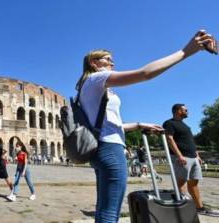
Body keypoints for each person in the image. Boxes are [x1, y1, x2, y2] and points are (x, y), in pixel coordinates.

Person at [76, 30, 214, 222]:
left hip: (100, 148)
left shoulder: (87, 87)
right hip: (111, 149)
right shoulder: (97, 78)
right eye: (108, 59)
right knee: (110, 211)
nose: (112, 63)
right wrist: (185, 52)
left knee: (104, 207)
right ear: (94, 63)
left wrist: (140, 124)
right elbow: (145, 73)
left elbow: (110, 125)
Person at [163, 104, 219, 217]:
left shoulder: (185, 125)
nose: (188, 112)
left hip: (192, 157)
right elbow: (169, 139)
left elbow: (190, 141)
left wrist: (197, 155)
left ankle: (200, 208)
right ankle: (183, 209)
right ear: (178, 111)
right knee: (181, 182)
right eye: (185, 110)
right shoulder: (169, 123)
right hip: (182, 157)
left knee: (194, 183)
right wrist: (179, 155)